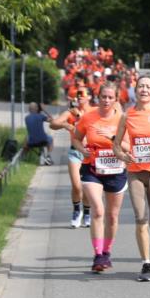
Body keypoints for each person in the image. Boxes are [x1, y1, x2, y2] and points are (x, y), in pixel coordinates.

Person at [113, 74, 150, 281]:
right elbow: (116, 144)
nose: (144, 90)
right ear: (135, 91)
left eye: (148, 87)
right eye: (141, 87)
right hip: (136, 173)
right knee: (140, 218)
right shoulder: (127, 116)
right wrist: (122, 155)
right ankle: (146, 265)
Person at [72, 83, 127, 273]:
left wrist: (113, 138)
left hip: (116, 170)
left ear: (116, 100)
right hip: (92, 169)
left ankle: (106, 252)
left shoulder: (122, 119)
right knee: (98, 210)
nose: (106, 100)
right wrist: (82, 150)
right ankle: (97, 255)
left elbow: (128, 147)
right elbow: (76, 138)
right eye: (103, 96)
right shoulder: (88, 117)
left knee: (112, 216)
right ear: (98, 97)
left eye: (110, 97)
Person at [51, 88, 93, 227]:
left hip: (91, 153)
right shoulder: (71, 113)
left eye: (83, 94)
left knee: (87, 186)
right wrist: (66, 124)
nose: (80, 97)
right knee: (76, 185)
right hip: (75, 153)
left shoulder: (94, 112)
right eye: (78, 95)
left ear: (90, 97)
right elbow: (53, 124)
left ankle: (87, 212)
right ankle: (76, 210)